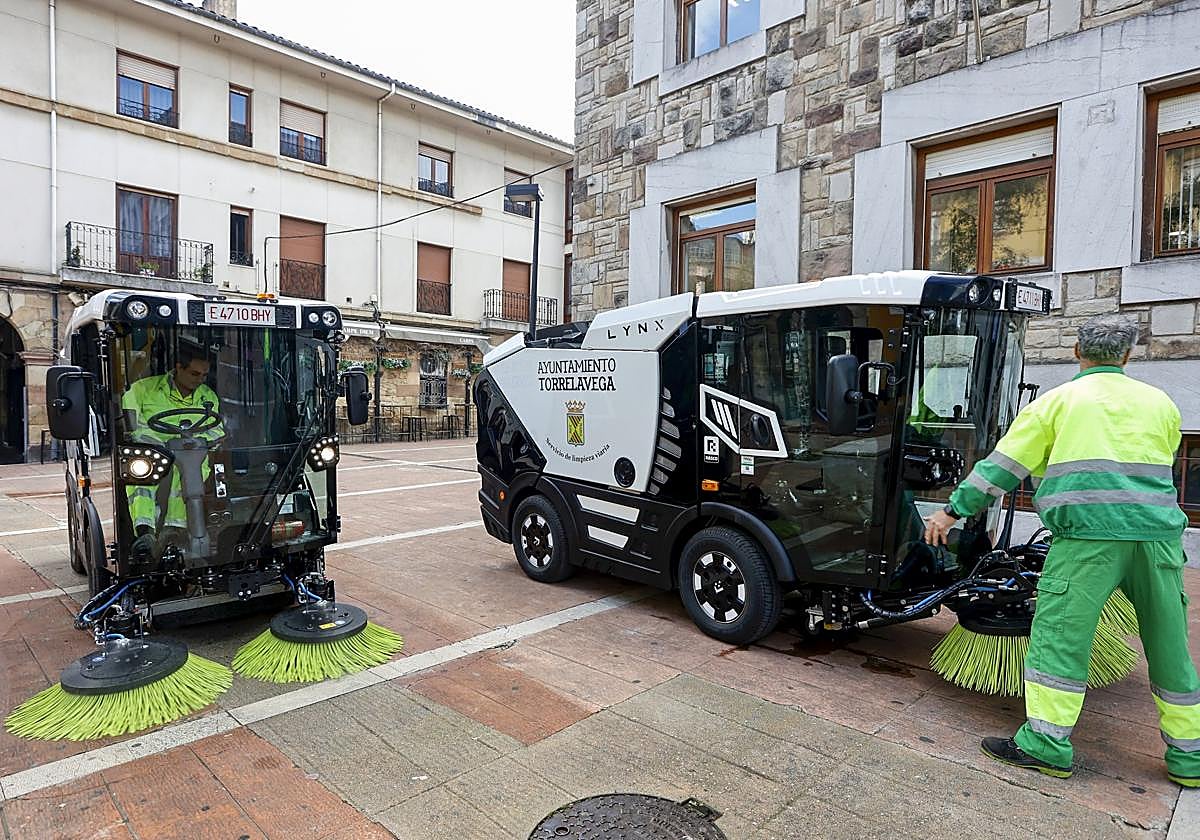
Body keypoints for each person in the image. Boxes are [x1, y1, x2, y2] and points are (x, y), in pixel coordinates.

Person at [923, 314, 1198, 788]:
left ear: (1077, 351)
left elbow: (1002, 468)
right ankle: (1190, 759)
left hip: (1086, 542)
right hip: (1158, 542)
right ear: (1128, 356)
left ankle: (1046, 746)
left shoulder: (1058, 403)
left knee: (1060, 639)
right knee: (1171, 645)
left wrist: (951, 511)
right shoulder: (1160, 403)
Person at [122, 342, 223, 556]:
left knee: (193, 469)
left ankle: (175, 529)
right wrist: (158, 445)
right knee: (141, 472)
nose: (200, 380)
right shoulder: (142, 390)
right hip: (155, 454)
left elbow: (217, 431)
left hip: (192, 455)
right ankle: (145, 533)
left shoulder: (208, 397)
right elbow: (131, 428)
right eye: (195, 374)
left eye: (204, 375)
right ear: (179, 368)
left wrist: (201, 441)